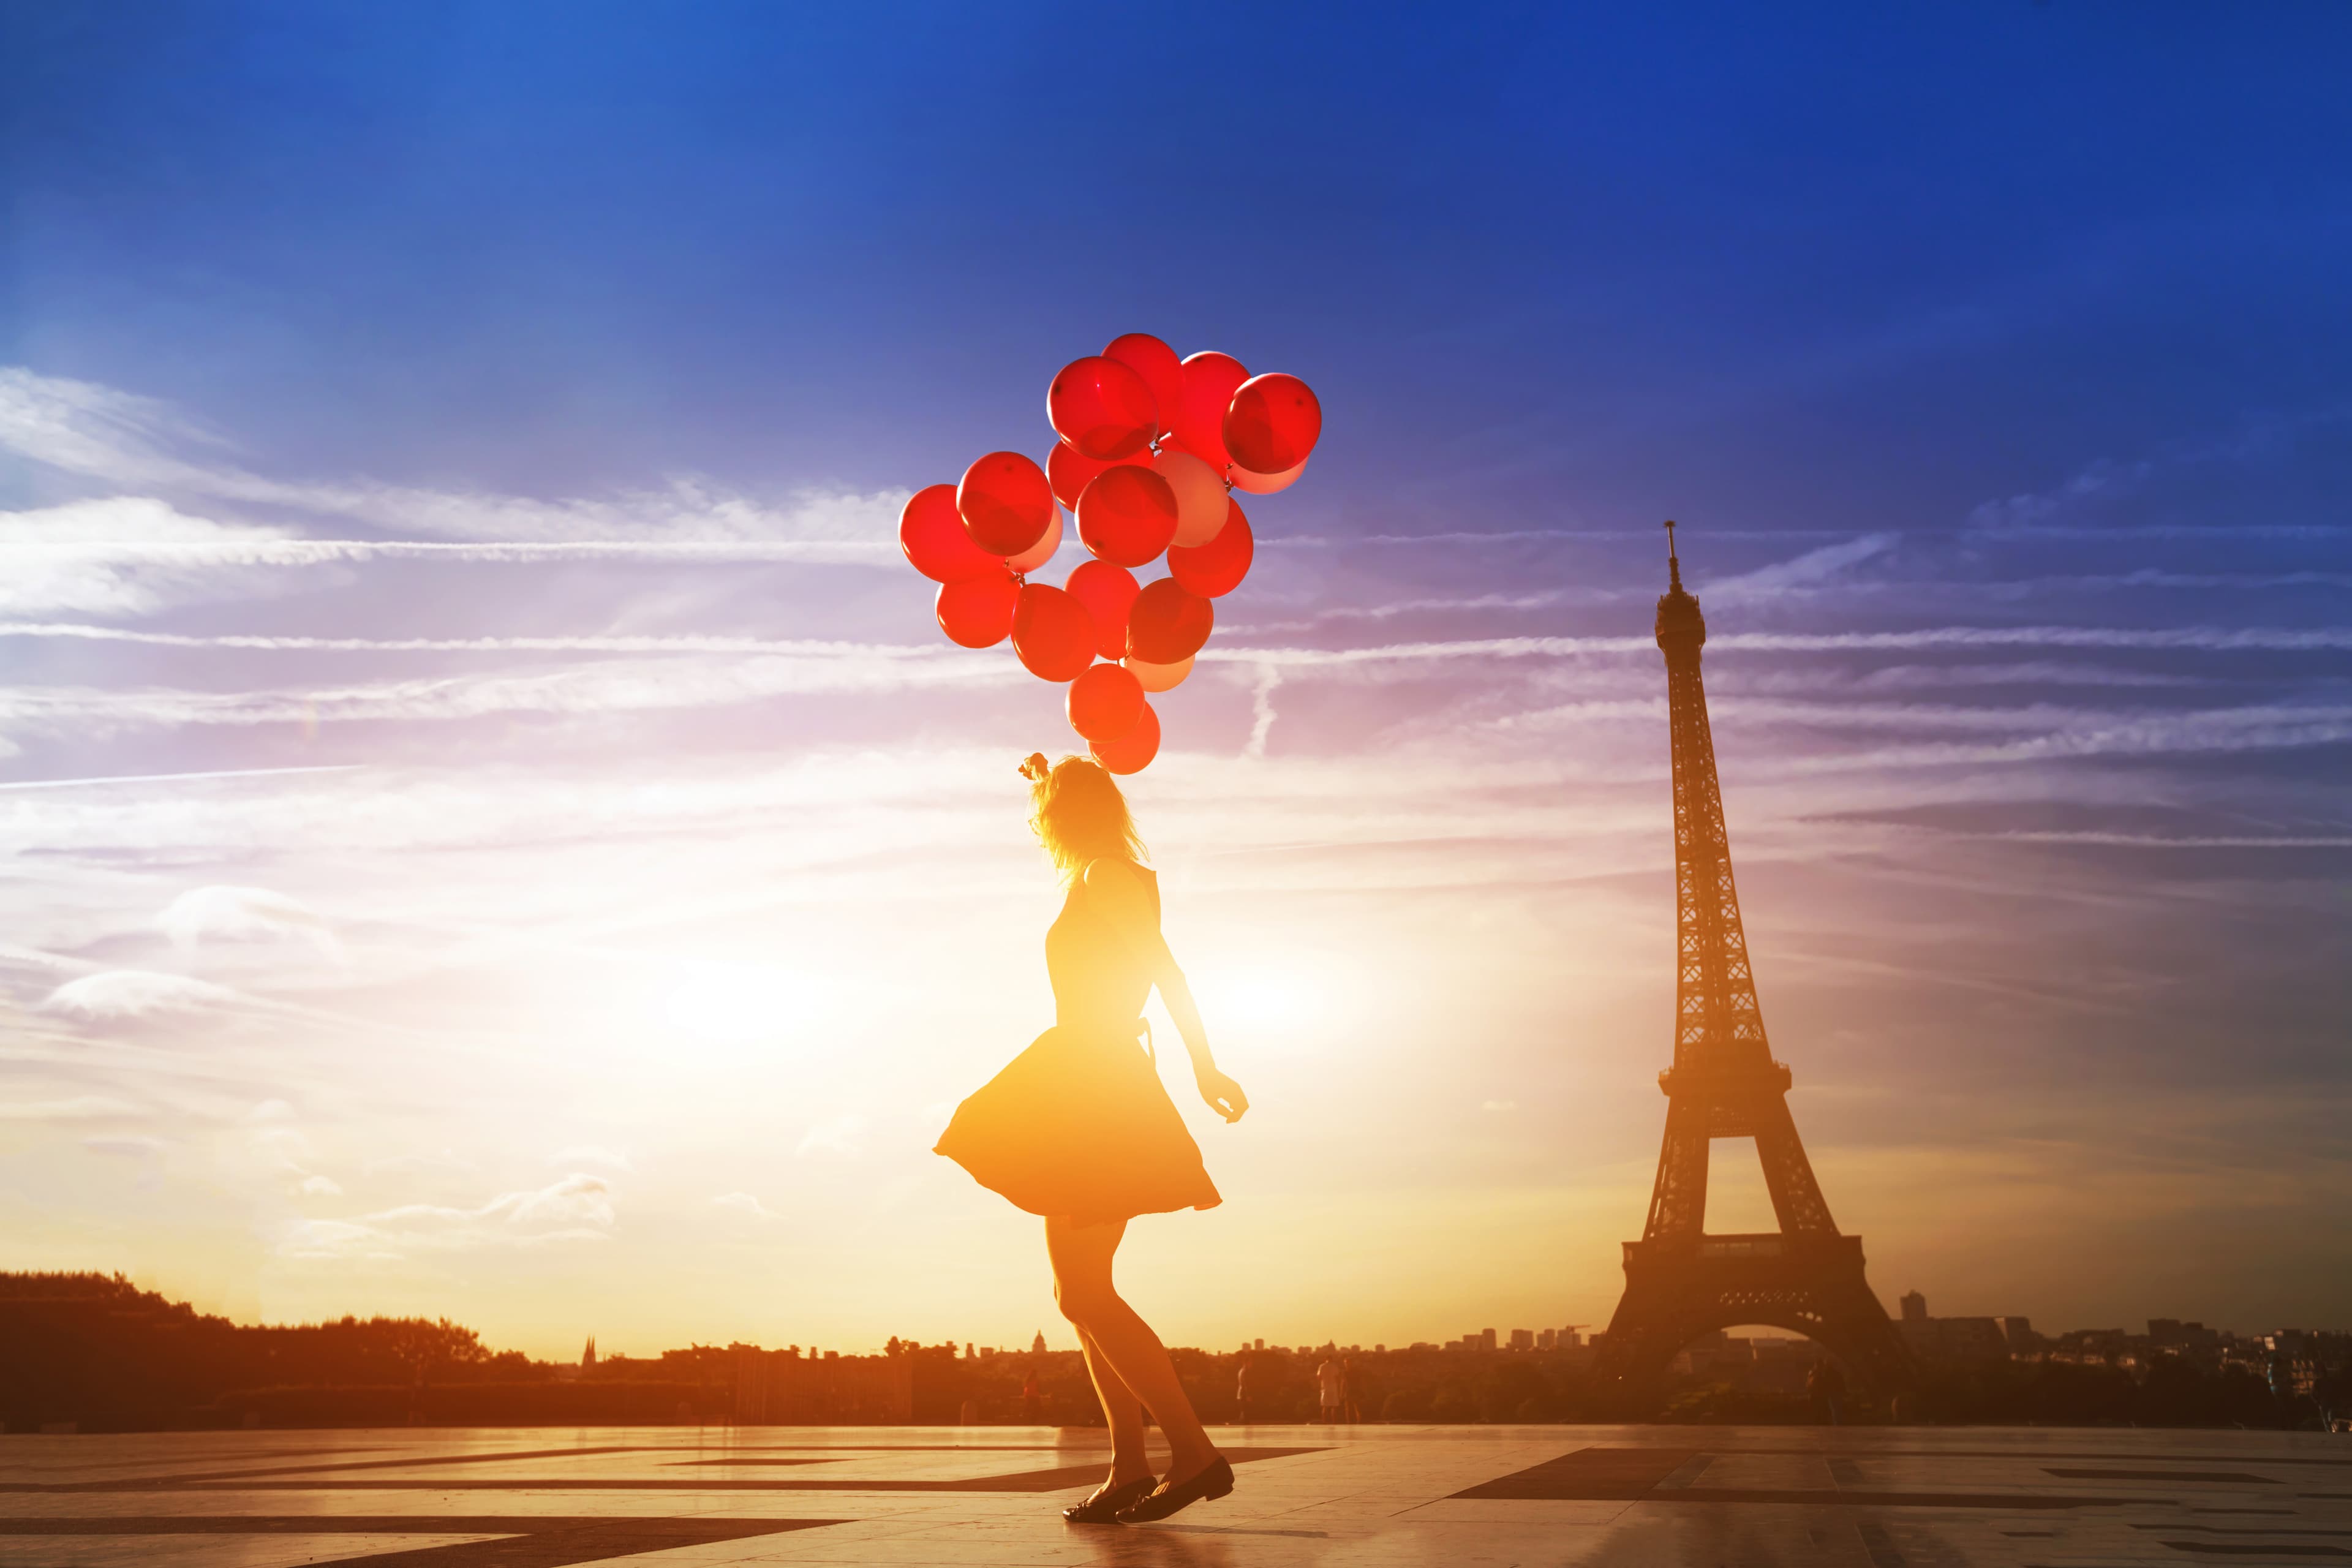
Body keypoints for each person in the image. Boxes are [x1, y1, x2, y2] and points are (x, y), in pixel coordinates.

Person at [936, 754, 1250, 1526]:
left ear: (1064, 818)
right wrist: (1047, 775)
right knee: (1076, 1295)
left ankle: (1193, 1452)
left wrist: (1205, 1066)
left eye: (1045, 813)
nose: (1038, 825)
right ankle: (1132, 1465)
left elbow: (1166, 969)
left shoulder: (1108, 876)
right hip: (1083, 1077)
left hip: (1097, 1082)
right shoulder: (1105, 872)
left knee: (1084, 1292)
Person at [1807, 1355, 1848, 1427]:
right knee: (1834, 1411)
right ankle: (1836, 1424)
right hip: (1826, 1394)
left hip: (1819, 1395)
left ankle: (1823, 1424)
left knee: (1822, 1412)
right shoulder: (1828, 1373)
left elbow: (1811, 1385)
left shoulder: (1814, 1373)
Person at [1317, 1354, 1344, 1423]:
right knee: (1334, 1406)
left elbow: (1319, 1377)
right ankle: (1334, 1422)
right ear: (1332, 1359)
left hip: (1325, 1389)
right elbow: (1337, 1377)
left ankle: (1324, 1422)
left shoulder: (1322, 1366)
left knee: (1325, 1407)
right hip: (1333, 1388)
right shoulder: (1335, 1366)